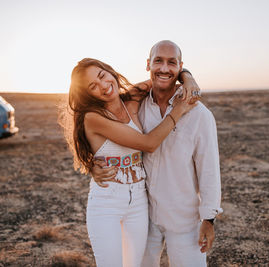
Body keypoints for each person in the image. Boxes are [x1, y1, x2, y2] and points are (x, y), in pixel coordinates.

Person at [92, 40, 223, 266]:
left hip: (184, 219)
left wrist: (209, 219)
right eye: (158, 61)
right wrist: (92, 164)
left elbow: (209, 168)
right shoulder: (136, 106)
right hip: (143, 216)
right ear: (148, 65)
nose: (164, 68)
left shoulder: (199, 114)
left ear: (180, 67)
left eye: (172, 63)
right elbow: (113, 141)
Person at [61, 58, 198, 267]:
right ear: (87, 94)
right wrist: (178, 110)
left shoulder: (132, 99)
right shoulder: (93, 117)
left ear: (109, 71)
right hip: (107, 203)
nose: (103, 86)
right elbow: (149, 143)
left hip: (138, 202)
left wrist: (187, 77)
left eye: (101, 76)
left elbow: (160, 76)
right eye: (93, 87)